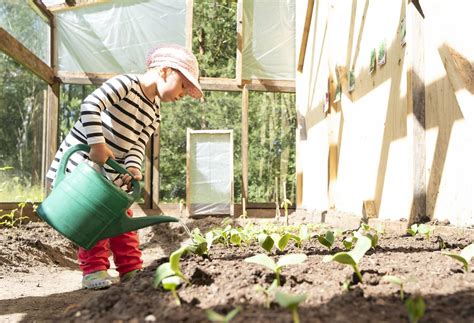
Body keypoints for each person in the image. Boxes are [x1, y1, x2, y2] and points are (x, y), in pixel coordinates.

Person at [46, 43, 203, 289]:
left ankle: (131, 270)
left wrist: (132, 167)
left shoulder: (154, 112)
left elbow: (137, 145)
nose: (183, 94)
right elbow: (90, 106)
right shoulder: (126, 84)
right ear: (164, 71)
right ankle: (94, 271)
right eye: (183, 85)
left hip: (109, 176)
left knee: (123, 222)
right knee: (94, 222)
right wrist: (97, 144)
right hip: (80, 169)